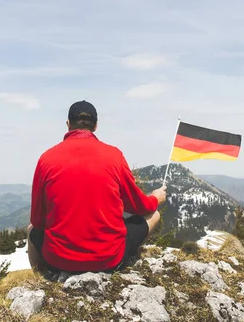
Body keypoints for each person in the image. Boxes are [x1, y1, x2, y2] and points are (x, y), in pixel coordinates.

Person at [28, 100, 167, 274]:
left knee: (30, 229)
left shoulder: (46, 159)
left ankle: (40, 276)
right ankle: (133, 258)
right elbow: (138, 206)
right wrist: (156, 197)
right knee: (154, 214)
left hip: (59, 261)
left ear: (68, 124)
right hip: (109, 259)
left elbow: (37, 221)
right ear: (96, 126)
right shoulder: (114, 156)